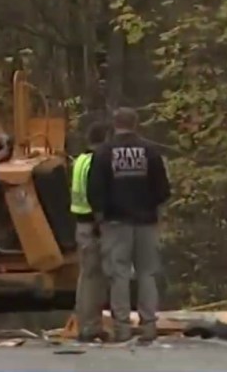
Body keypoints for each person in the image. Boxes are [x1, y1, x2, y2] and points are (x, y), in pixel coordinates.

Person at [87, 107, 171, 343]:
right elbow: (163, 189)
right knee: (147, 273)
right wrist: (152, 207)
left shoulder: (104, 152)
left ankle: (122, 326)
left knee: (119, 274)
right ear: (136, 124)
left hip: (115, 222)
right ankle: (148, 325)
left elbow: (95, 188)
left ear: (115, 124)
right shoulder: (150, 152)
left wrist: (100, 215)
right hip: (146, 221)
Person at [69, 121, 110, 342]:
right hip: (92, 224)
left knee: (86, 277)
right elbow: (95, 192)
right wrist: (100, 221)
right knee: (93, 278)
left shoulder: (80, 160)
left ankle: (85, 323)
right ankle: (90, 327)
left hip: (81, 222)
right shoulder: (95, 162)